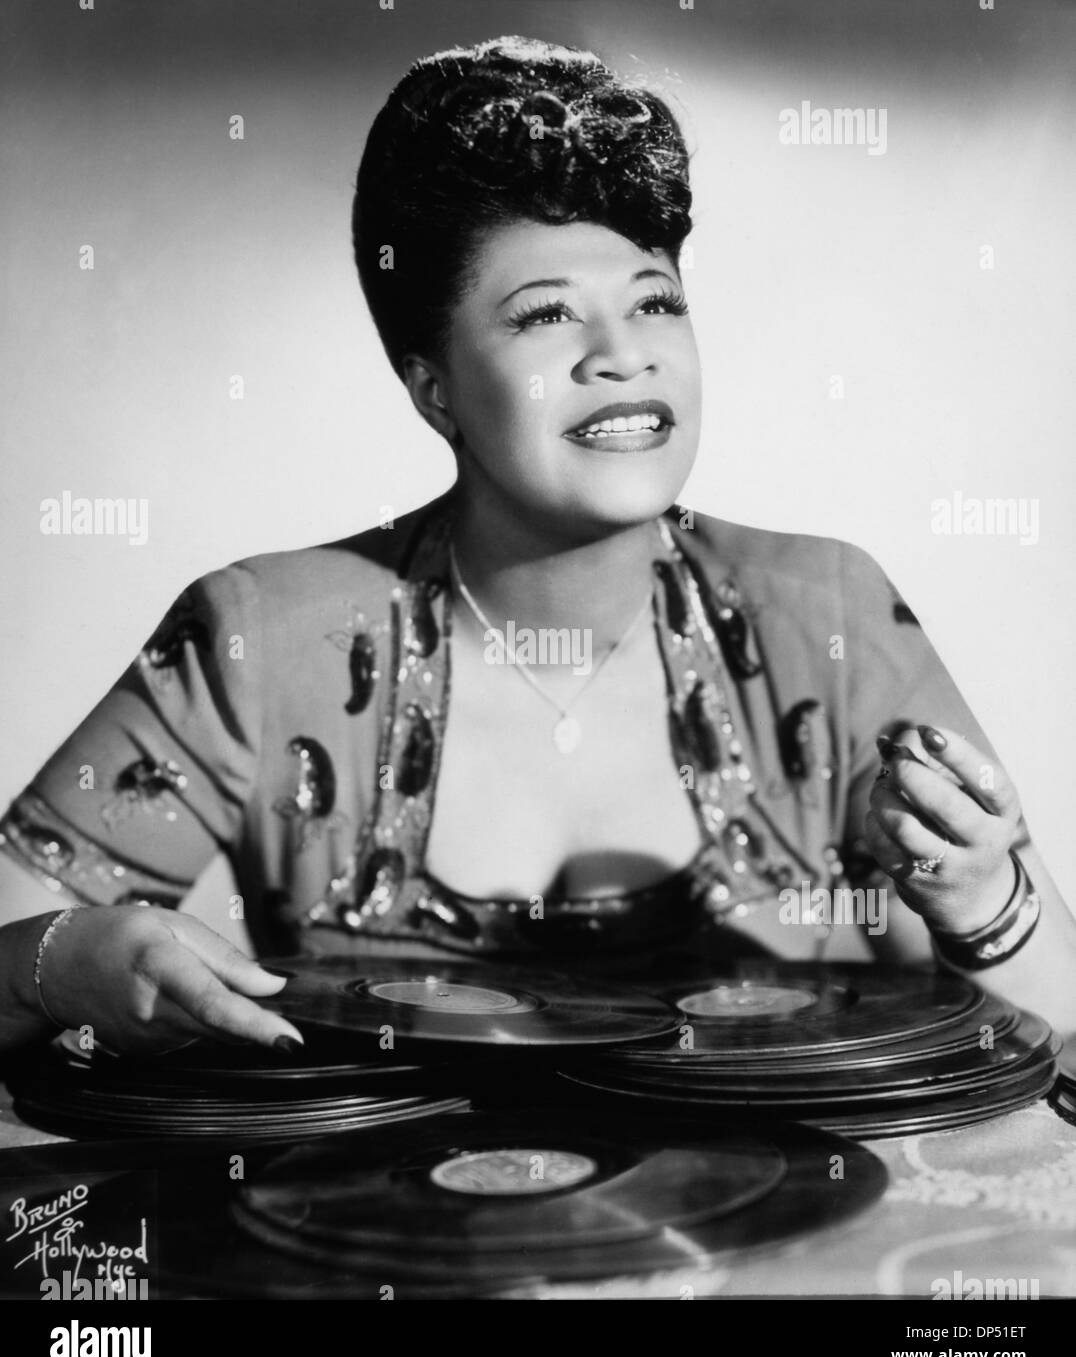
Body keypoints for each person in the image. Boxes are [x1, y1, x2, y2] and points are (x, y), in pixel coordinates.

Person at [1, 35, 1074, 1058]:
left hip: (794, 1243)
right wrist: (61, 959)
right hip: (385, 1249)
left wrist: (986, 904)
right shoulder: (255, 639)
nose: (621, 356)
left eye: (654, 302)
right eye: (543, 316)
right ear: (433, 390)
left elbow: (1060, 1031)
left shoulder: (825, 612)